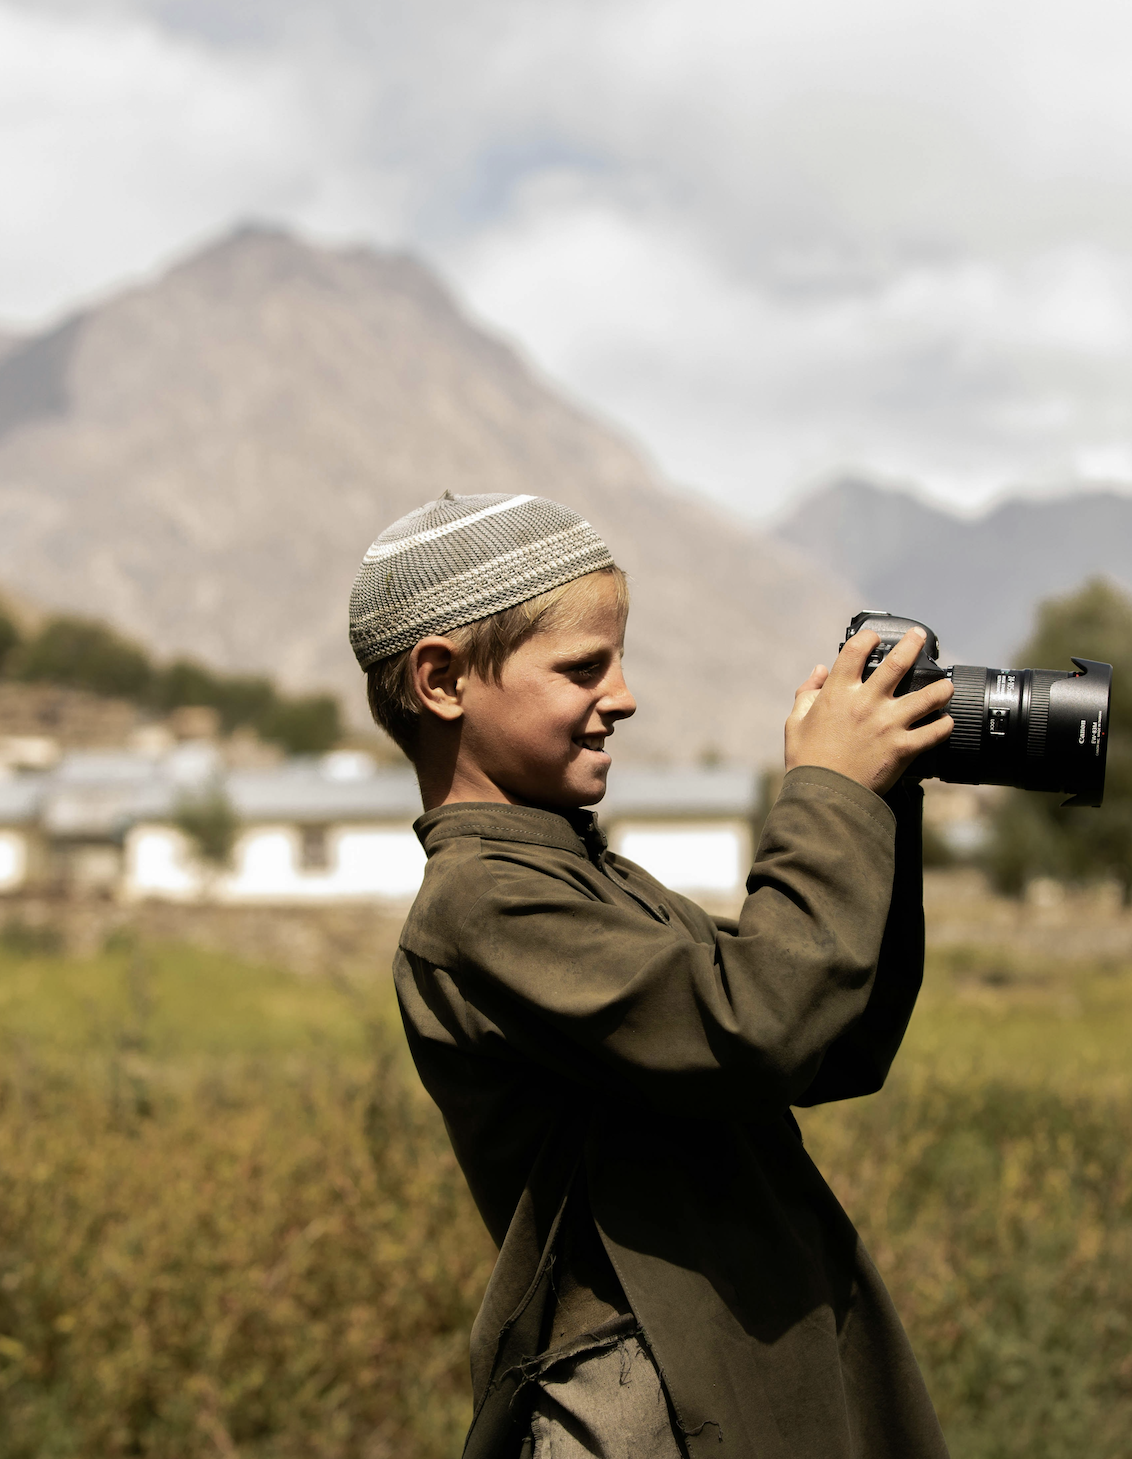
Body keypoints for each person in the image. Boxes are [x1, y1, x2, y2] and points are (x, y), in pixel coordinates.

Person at [349, 492, 953, 1459]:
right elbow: (758, 1027)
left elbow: (830, 1040)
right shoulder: (483, 907)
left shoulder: (585, 881)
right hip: (657, 1410)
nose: (623, 696)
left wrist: (883, 799)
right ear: (443, 680)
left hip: (734, 1385)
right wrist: (830, 793)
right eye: (584, 667)